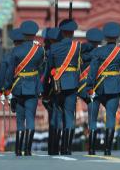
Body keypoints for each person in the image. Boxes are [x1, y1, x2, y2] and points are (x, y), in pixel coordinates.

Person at [87, 22, 120, 156]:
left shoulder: (98, 51)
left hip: (99, 87)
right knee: (110, 117)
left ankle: (92, 149)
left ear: (105, 36)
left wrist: (90, 85)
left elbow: (93, 71)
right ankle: (107, 149)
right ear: (117, 37)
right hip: (114, 87)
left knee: (93, 118)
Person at [4, 20, 45, 156]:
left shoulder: (16, 50)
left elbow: (10, 71)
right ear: (34, 34)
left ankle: (18, 148)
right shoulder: (39, 50)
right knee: (31, 118)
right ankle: (28, 149)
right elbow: (41, 67)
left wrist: (7, 87)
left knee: (20, 120)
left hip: (18, 87)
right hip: (32, 87)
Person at [44, 19, 81, 155]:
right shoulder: (77, 46)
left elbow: (49, 69)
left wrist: (45, 89)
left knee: (57, 117)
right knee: (70, 117)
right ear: (72, 32)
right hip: (72, 84)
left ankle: (54, 147)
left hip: (57, 85)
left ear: (61, 32)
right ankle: (67, 148)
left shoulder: (54, 48)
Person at [78, 28, 104, 155]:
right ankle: (92, 147)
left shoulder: (79, 52)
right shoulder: (101, 53)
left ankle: (63, 146)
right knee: (92, 119)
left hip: (79, 88)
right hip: (94, 88)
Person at [42, 27, 63, 155]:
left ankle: (53, 146)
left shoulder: (47, 52)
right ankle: (60, 146)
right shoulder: (64, 50)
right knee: (60, 117)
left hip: (51, 88)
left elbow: (45, 74)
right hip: (62, 87)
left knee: (53, 118)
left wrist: (44, 91)